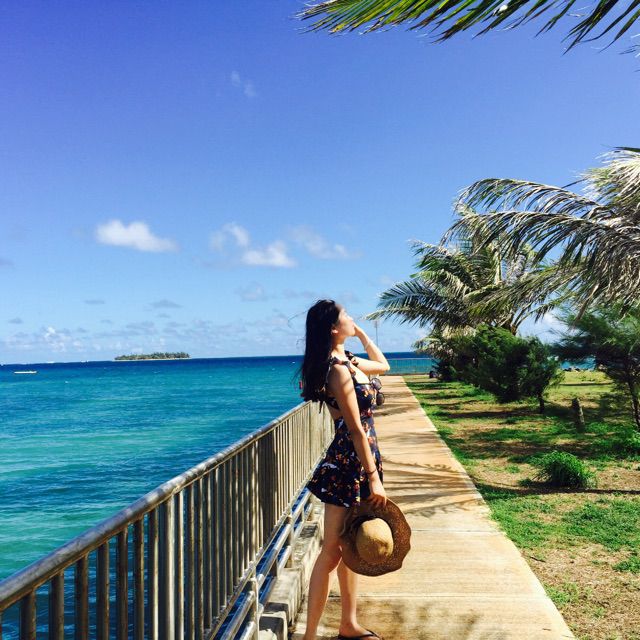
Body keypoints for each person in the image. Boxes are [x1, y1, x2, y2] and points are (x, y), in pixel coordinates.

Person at [299, 299, 390, 640]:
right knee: (332, 551)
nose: (353, 318)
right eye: (347, 316)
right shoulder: (337, 370)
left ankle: (348, 625)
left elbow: (383, 366)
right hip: (348, 464)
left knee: (350, 544)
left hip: (362, 458)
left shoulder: (349, 361)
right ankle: (310, 635)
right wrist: (374, 478)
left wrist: (362, 336)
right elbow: (354, 429)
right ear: (334, 328)